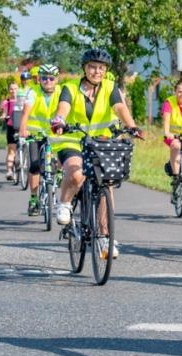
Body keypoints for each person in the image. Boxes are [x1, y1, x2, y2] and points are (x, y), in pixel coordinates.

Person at [50, 48, 142, 257]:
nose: (96, 71)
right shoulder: (70, 88)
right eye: (92, 67)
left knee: (106, 185)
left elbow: (120, 108)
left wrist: (132, 126)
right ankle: (64, 203)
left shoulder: (110, 88)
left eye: (101, 68)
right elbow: (63, 108)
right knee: (76, 173)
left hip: (100, 144)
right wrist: (59, 121)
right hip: (72, 140)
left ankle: (104, 237)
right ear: (84, 68)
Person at [16, 64, 63, 216]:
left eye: (51, 78)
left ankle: (60, 172)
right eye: (44, 78)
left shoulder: (62, 92)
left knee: (64, 154)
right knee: (35, 165)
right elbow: (26, 111)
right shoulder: (33, 92)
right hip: (35, 134)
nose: (47, 81)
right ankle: (34, 199)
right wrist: (23, 129)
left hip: (55, 133)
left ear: (56, 79)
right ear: (39, 79)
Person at [161, 77, 182, 182]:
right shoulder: (169, 103)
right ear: (175, 92)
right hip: (173, 136)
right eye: (179, 92)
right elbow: (166, 120)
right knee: (176, 146)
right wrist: (167, 132)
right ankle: (176, 178)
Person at [0, 80, 27, 181]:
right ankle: (9, 171)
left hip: (22, 127)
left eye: (15, 89)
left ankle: (23, 162)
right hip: (12, 127)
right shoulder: (6, 102)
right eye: (11, 89)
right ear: (8, 90)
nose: (13, 91)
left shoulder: (24, 101)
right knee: (11, 150)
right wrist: (3, 116)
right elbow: (4, 113)